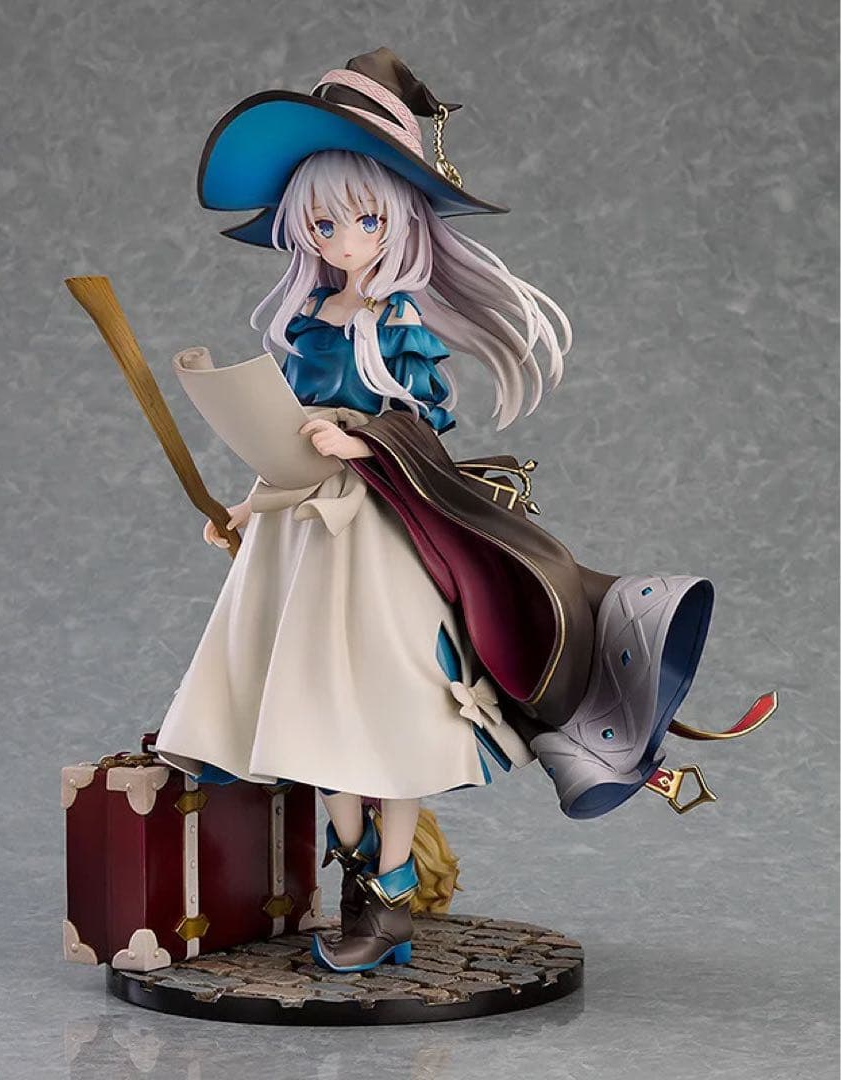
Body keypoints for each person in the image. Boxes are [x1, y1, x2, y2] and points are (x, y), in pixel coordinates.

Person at [154, 48, 719, 973]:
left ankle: (390, 900)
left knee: (388, 719)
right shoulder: (308, 322)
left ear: (400, 220)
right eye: (324, 222)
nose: (344, 238)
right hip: (304, 538)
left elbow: (424, 425)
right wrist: (244, 510)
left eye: (366, 218)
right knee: (311, 717)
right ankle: (357, 890)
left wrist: (364, 441)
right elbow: (283, 438)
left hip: (378, 533)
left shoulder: (397, 322)